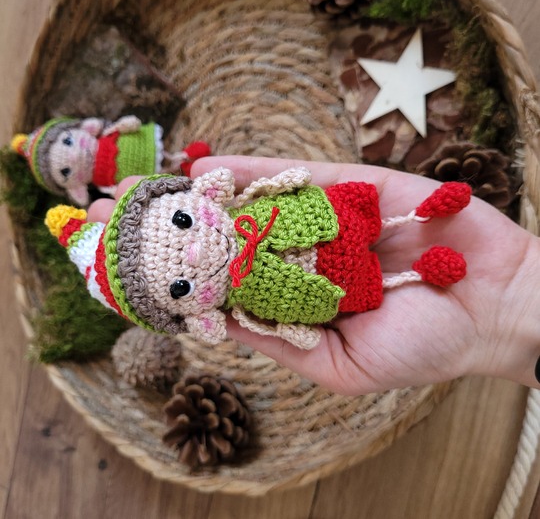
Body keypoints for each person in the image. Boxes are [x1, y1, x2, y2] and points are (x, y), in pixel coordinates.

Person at [88, 156, 540, 395]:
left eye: (182, 221)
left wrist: (519, 291)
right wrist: (503, 316)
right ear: (198, 318)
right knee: (366, 285)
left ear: (200, 195)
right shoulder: (241, 302)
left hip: (327, 217)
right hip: (330, 289)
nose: (197, 251)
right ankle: (414, 273)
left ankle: (417, 217)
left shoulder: (248, 209)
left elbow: (288, 182)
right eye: (180, 287)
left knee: (381, 221)